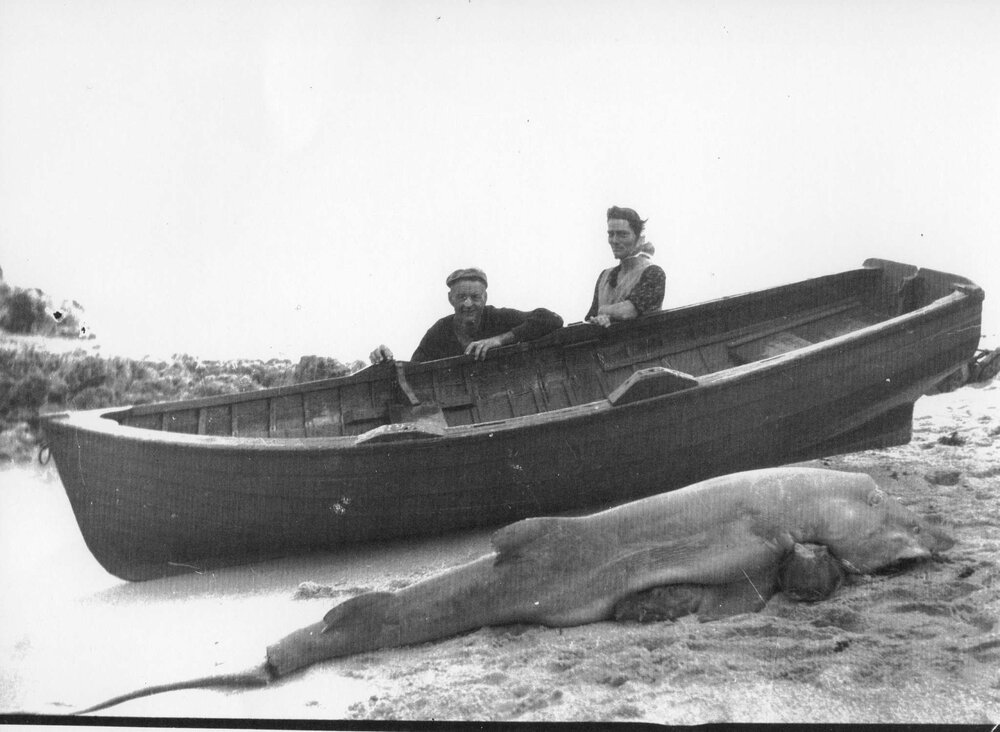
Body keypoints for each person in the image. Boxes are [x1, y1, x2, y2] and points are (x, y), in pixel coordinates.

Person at [370, 267, 563, 363]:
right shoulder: (439, 332)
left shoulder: (498, 317)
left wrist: (499, 340)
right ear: (450, 299)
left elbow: (551, 319)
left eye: (475, 297)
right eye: (461, 297)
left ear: (485, 298)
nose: (468, 304)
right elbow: (415, 369)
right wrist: (386, 360)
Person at [585, 206, 665, 327]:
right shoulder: (604, 276)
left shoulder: (654, 273)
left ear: (638, 238)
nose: (614, 240)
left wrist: (602, 311)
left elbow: (627, 312)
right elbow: (590, 318)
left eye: (622, 235)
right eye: (611, 234)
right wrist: (597, 319)